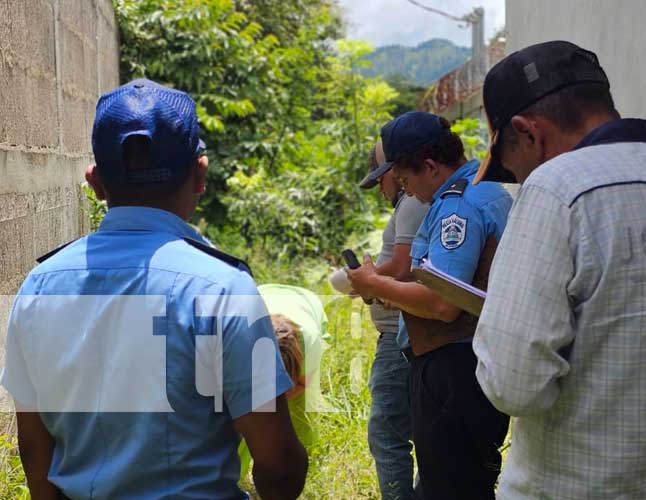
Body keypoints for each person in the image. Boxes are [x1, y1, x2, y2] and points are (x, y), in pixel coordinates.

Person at [1, 79, 307, 500]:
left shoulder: (39, 287)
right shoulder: (223, 289)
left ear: (96, 183)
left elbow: (35, 448)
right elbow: (278, 463)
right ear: (199, 175)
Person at [472, 40, 646, 499]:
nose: (517, 181)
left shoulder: (557, 190)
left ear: (528, 132)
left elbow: (514, 384)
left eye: (511, 170)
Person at [348, 111, 512, 500]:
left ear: (431, 166)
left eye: (406, 181)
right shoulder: (490, 192)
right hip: (475, 362)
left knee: (449, 486)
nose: (410, 193)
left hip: (451, 367)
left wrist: (374, 282)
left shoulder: (458, 206)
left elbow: (443, 302)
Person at [357, 141, 429, 500]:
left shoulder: (412, 204)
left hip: (400, 333)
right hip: (401, 331)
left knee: (387, 430)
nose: (381, 190)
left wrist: (366, 278)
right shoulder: (410, 204)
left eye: (381, 181)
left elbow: (403, 269)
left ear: (394, 175)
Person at [238, 283, 330, 480]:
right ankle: (235, 477)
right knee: (246, 416)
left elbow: (303, 384)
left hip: (305, 300)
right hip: (263, 293)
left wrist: (274, 406)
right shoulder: (241, 335)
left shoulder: (309, 341)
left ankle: (304, 471)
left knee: (298, 413)